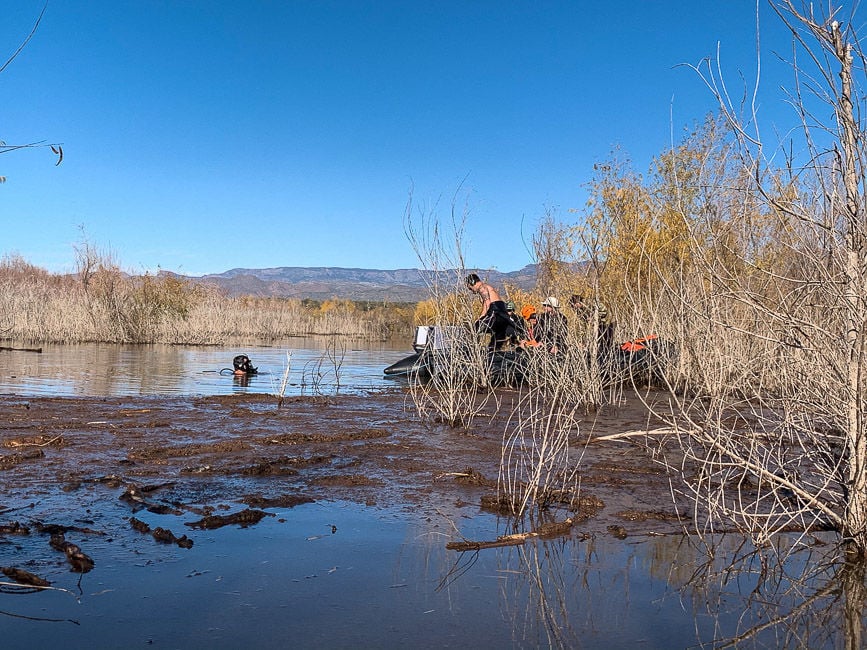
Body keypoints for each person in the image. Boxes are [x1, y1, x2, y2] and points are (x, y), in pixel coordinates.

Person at [466, 273, 511, 349]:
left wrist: (480, 318)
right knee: (495, 342)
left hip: (495, 312)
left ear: (473, 282)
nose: (471, 291)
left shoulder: (482, 288)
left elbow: (487, 303)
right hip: (502, 314)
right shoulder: (487, 287)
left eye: (470, 288)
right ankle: (494, 351)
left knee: (476, 327)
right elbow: (486, 303)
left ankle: (473, 349)